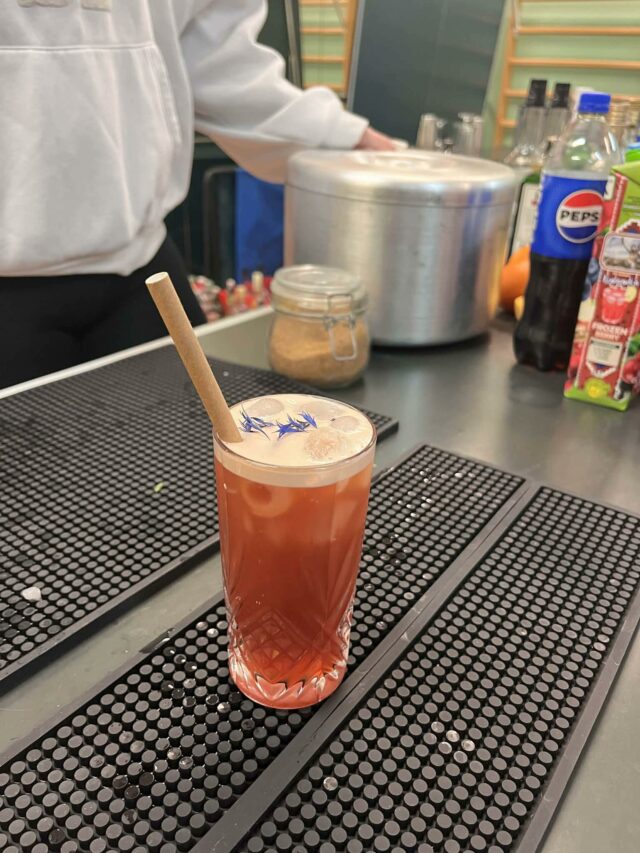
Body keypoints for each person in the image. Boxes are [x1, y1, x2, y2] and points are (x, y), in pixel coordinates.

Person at [0, 0, 393, 390]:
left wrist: (344, 136)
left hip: (140, 265)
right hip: (10, 286)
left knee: (202, 425)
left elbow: (217, 59)